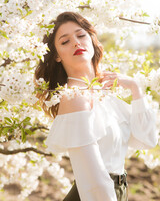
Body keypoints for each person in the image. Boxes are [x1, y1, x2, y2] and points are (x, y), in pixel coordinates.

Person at [34, 11, 158, 201]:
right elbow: (93, 180)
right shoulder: (74, 97)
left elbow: (147, 140)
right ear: (57, 56)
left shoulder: (105, 93)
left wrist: (136, 88)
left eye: (81, 35)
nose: (76, 42)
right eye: (65, 41)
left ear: (92, 40)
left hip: (117, 192)